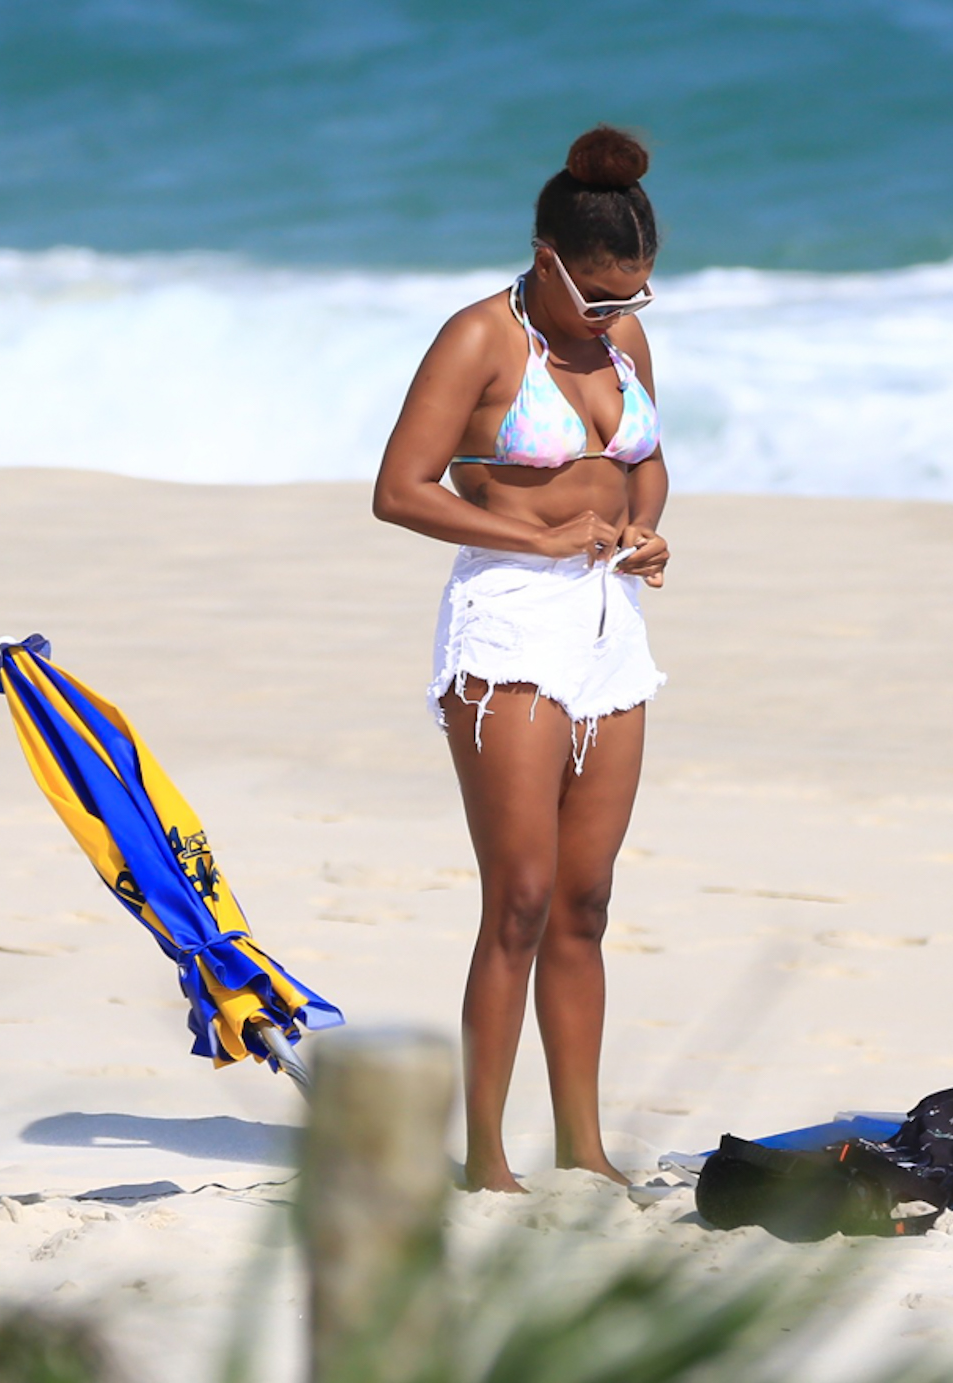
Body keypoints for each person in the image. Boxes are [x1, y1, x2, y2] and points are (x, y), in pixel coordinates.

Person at [372, 125, 670, 1192]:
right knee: (522, 900)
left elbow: (643, 465)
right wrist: (538, 540)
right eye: (593, 296)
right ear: (545, 260)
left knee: (587, 902)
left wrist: (645, 531)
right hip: (506, 627)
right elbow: (401, 489)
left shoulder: (625, 339)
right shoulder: (476, 341)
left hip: (607, 632)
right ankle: (485, 1158)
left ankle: (581, 1149)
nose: (611, 315)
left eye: (630, 295)